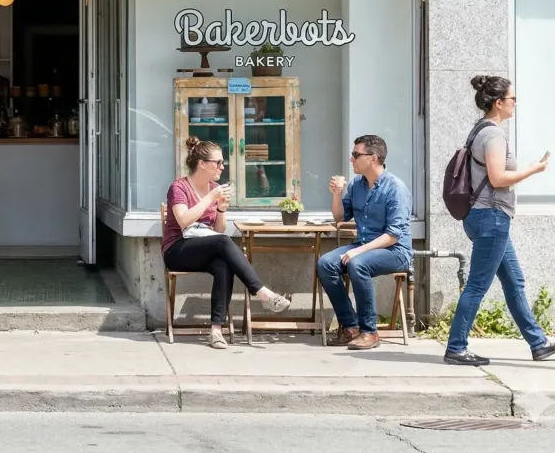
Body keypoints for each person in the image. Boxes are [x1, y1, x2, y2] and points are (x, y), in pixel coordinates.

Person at [443, 75, 555, 366]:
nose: (515, 104)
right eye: (513, 99)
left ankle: (538, 344)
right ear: (499, 103)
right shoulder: (494, 135)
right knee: (477, 285)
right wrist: (533, 170)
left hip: (485, 217)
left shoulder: (480, 130)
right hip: (491, 218)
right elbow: (498, 178)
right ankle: (456, 348)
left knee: (514, 281)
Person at [162, 137, 290, 349]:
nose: (222, 166)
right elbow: (183, 220)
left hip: (203, 246)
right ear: (202, 164)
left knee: (224, 265)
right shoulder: (179, 187)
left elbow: (218, 230)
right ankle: (261, 292)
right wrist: (210, 198)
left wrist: (221, 208)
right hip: (177, 249)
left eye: (222, 162)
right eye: (218, 162)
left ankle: (216, 330)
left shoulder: (214, 188)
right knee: (223, 243)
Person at [316, 134, 413, 351]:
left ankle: (370, 332)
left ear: (373, 158)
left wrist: (359, 251)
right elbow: (340, 217)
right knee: (325, 264)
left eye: (356, 154)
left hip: (395, 251)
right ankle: (351, 327)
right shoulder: (356, 185)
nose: (351, 159)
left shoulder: (396, 188)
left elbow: (393, 236)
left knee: (358, 264)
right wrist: (337, 194)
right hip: (364, 245)